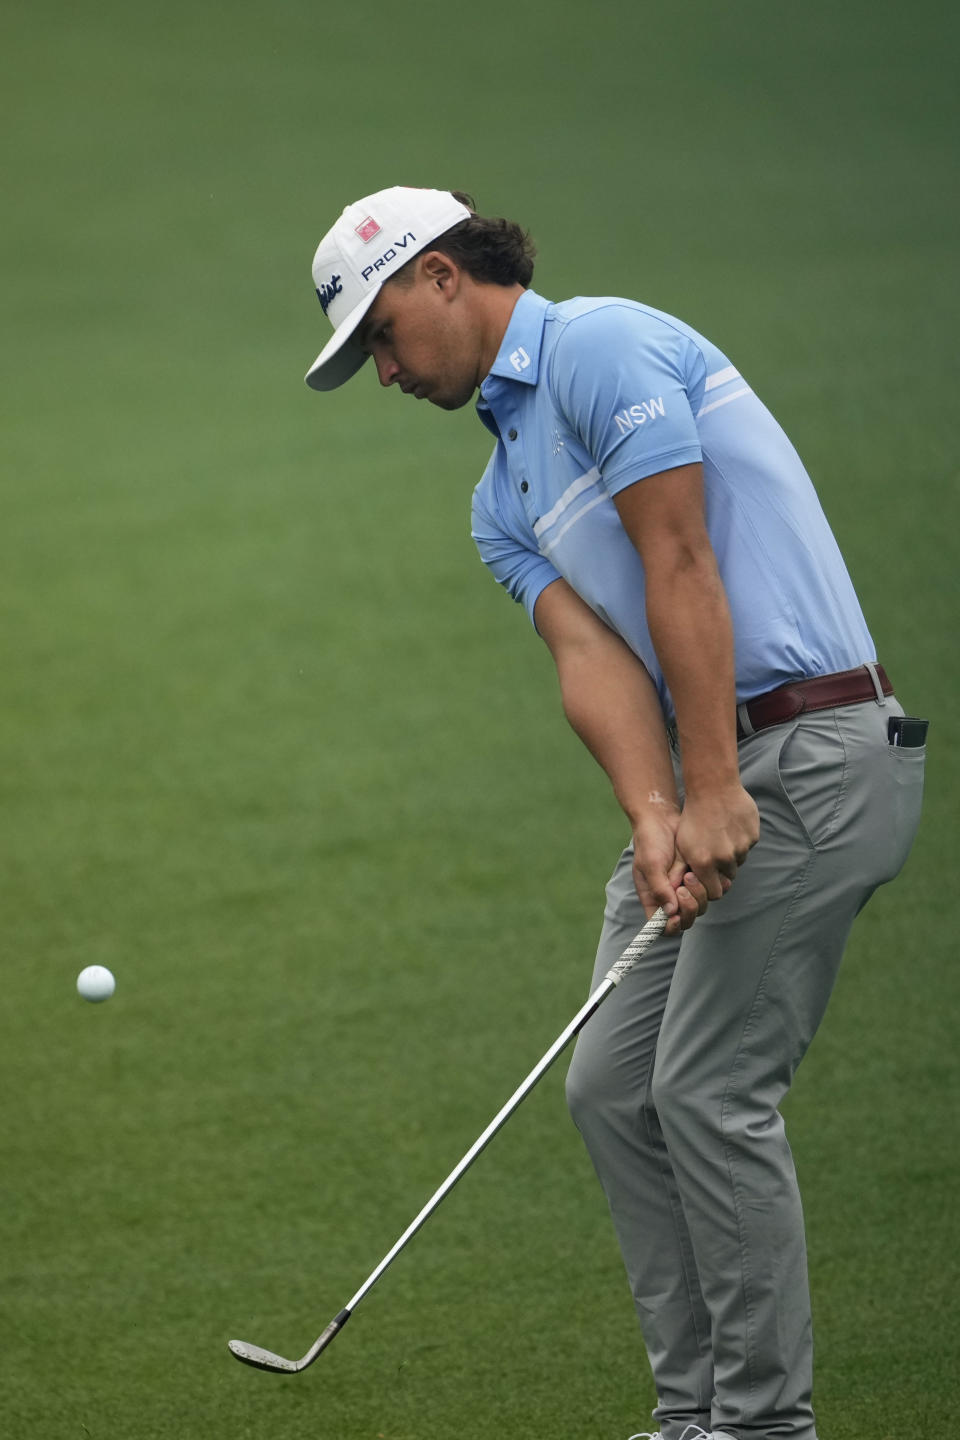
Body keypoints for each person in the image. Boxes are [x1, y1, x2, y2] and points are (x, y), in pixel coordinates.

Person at [302, 186, 926, 1440]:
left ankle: (762, 1427)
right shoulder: (497, 501)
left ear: (437, 275)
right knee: (612, 1084)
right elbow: (594, 664)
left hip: (813, 749)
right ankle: (692, 1416)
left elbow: (680, 557)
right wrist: (656, 811)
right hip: (723, 769)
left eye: (379, 333)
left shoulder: (602, 345)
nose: (381, 370)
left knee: (704, 1090)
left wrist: (713, 788)